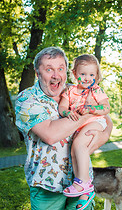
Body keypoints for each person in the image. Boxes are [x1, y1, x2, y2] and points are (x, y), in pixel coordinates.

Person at [15, 47, 113, 210]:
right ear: (37, 72)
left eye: (61, 69)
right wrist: (89, 112)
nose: (56, 75)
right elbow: (51, 134)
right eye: (49, 69)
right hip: (47, 186)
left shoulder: (78, 89)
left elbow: (106, 117)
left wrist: (105, 134)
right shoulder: (27, 99)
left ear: (68, 71)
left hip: (81, 182)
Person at [58, 54, 110, 209]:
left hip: (95, 122)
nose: (87, 78)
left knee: (79, 144)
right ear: (74, 74)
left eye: (92, 74)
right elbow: (62, 107)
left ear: (96, 75)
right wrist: (67, 113)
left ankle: (83, 184)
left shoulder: (96, 90)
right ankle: (82, 186)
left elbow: (106, 108)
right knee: (75, 151)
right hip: (79, 126)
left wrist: (92, 108)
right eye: (83, 74)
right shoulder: (69, 91)